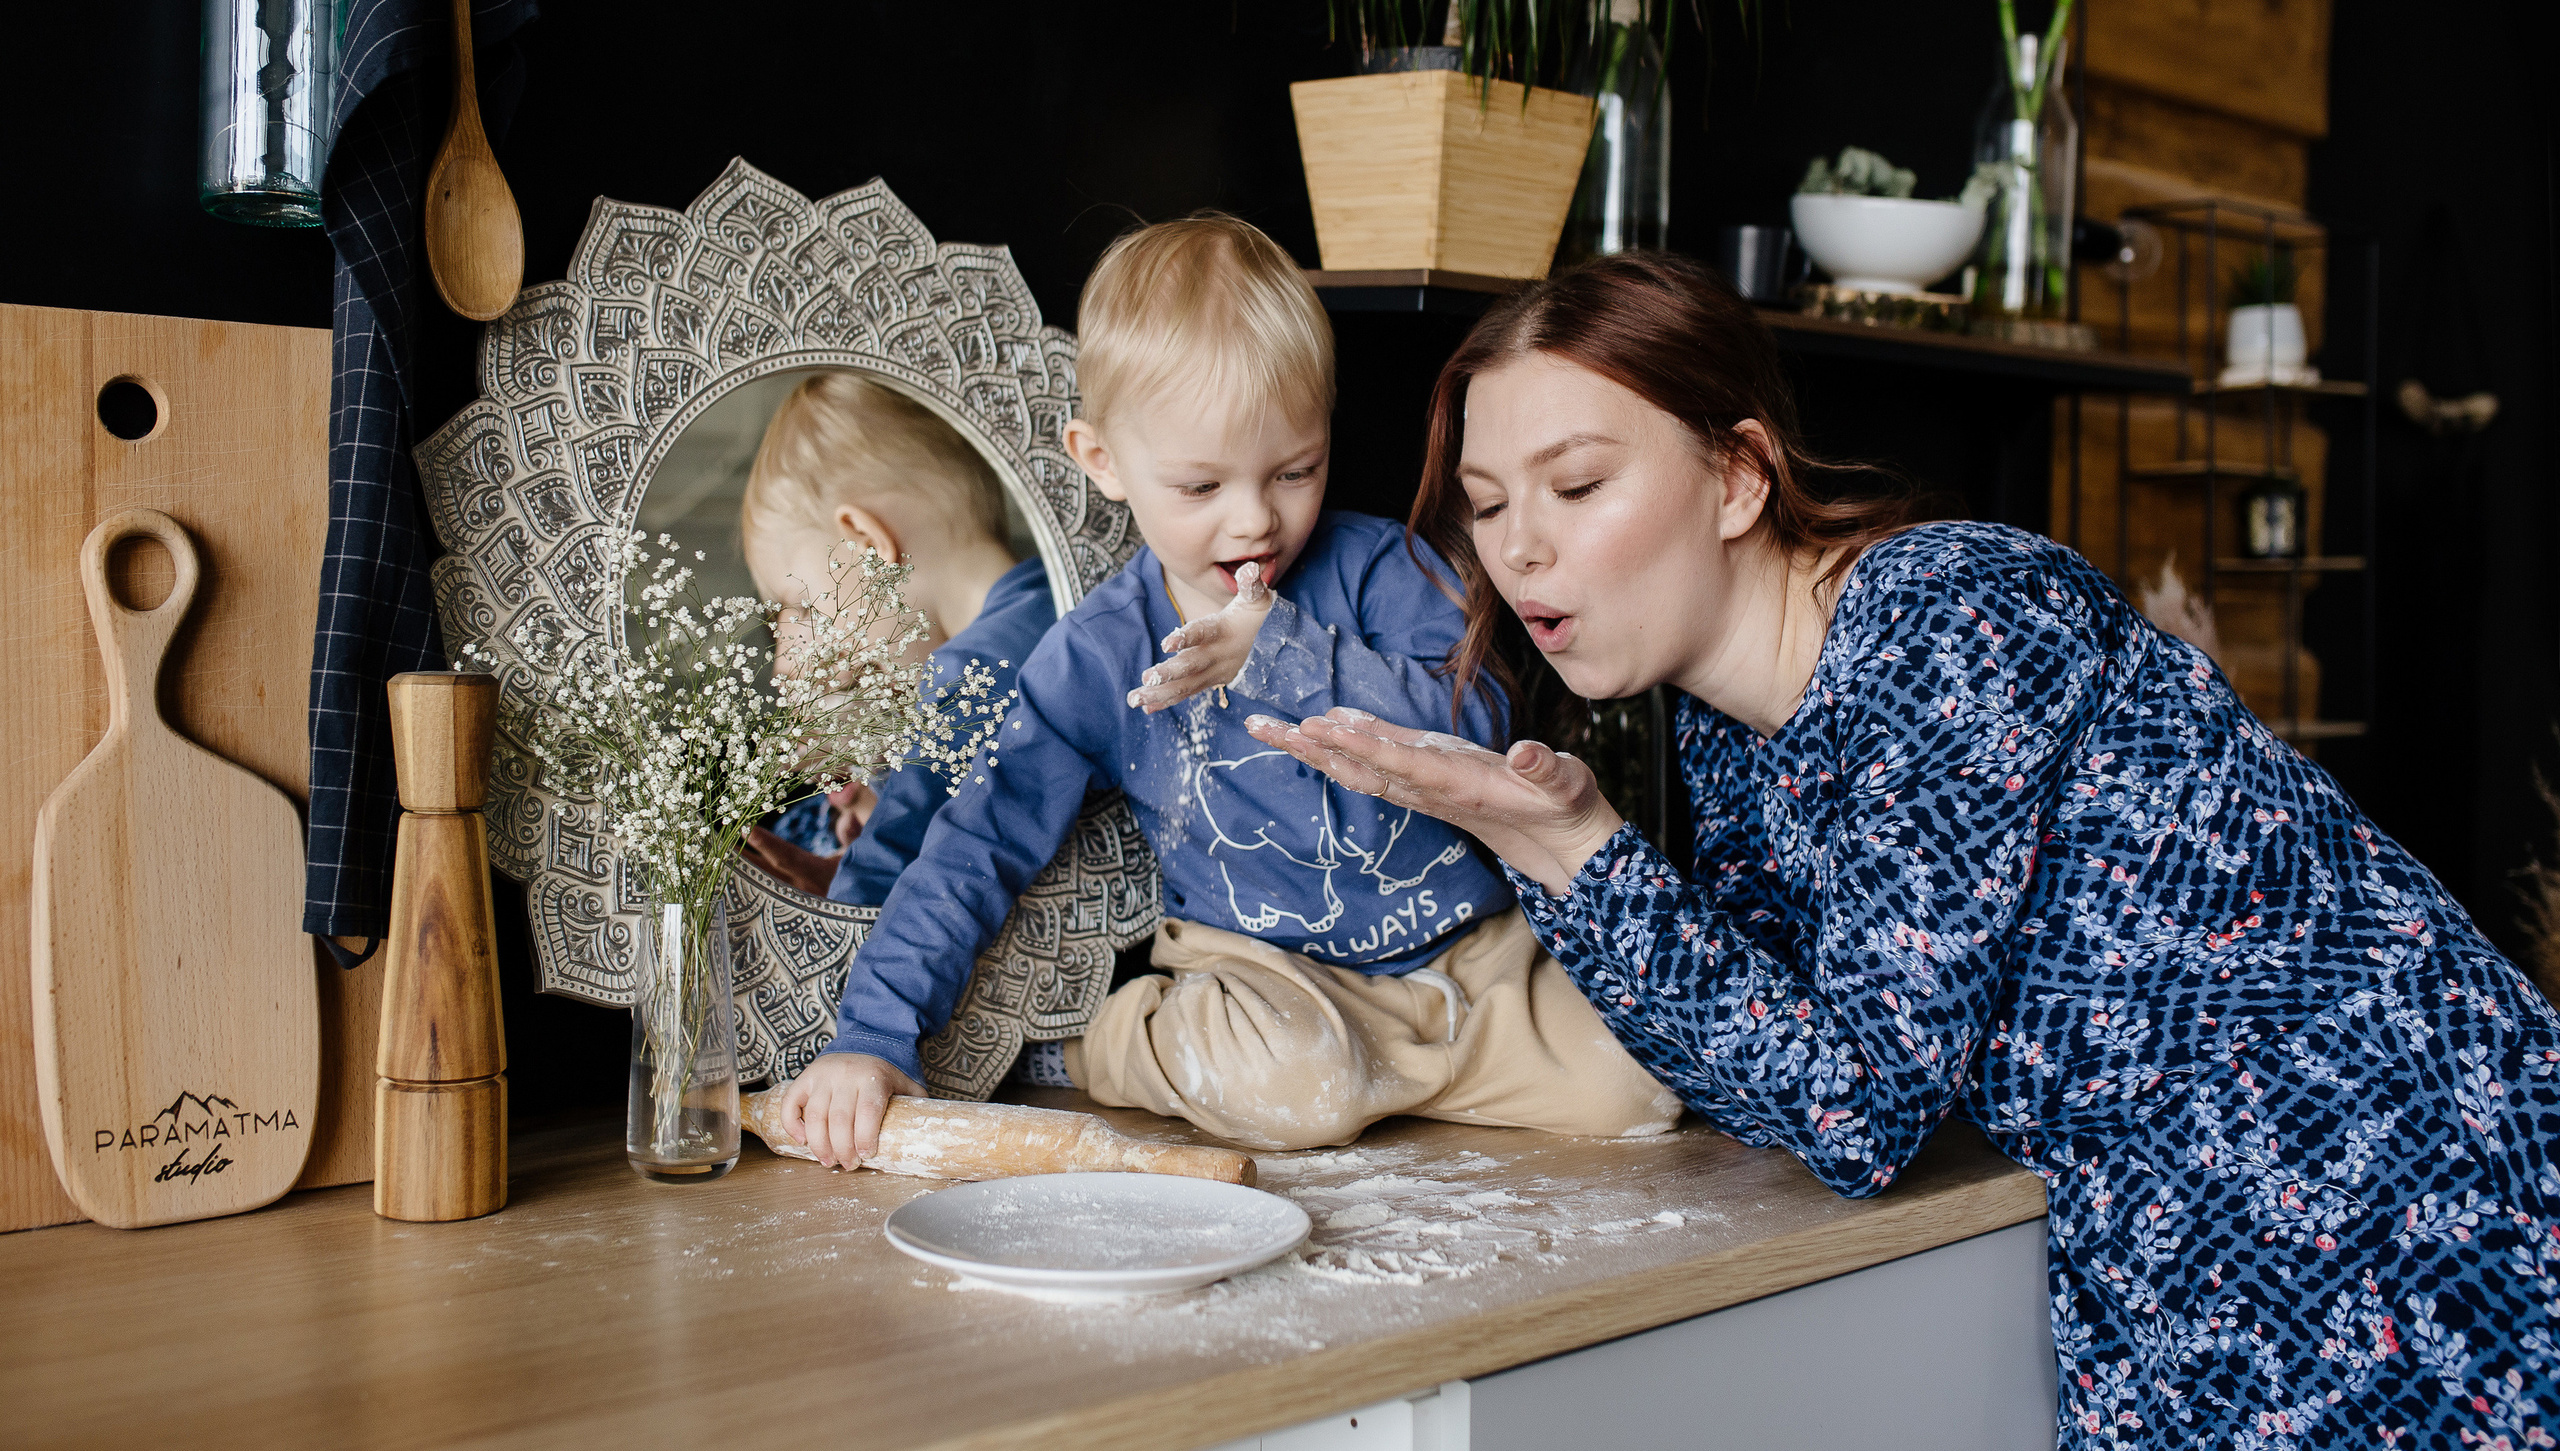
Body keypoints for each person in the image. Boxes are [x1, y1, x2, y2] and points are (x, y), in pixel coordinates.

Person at [1253, 251, 2560, 1448]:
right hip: (2204, 1289)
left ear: (1739, 475)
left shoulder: (1947, 612)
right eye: (1487, 502)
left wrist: (1582, 850)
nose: (1520, 544)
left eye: (1579, 483)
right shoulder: (1732, 733)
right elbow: (1766, 1061)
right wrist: (1541, 842)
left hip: (2430, 1232)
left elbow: (1861, 1103)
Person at [778, 214, 1680, 1165]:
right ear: (1104, 461)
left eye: (1295, 469)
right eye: (1201, 487)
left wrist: (1284, 649)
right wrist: (870, 1039)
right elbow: (977, 841)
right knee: (1300, 1090)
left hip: (1474, 954)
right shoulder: (1096, 655)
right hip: (1267, 978)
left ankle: (1403, 1074)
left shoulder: (1384, 568)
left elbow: (1478, 726)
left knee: (1643, 1087)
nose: (1257, 518)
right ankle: (1109, 1043)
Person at [736, 370, 1057, 906]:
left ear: (865, 541)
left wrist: (845, 890)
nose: (825, 658)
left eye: (804, 604)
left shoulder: (970, 676)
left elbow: (885, 870)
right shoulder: (1052, 601)